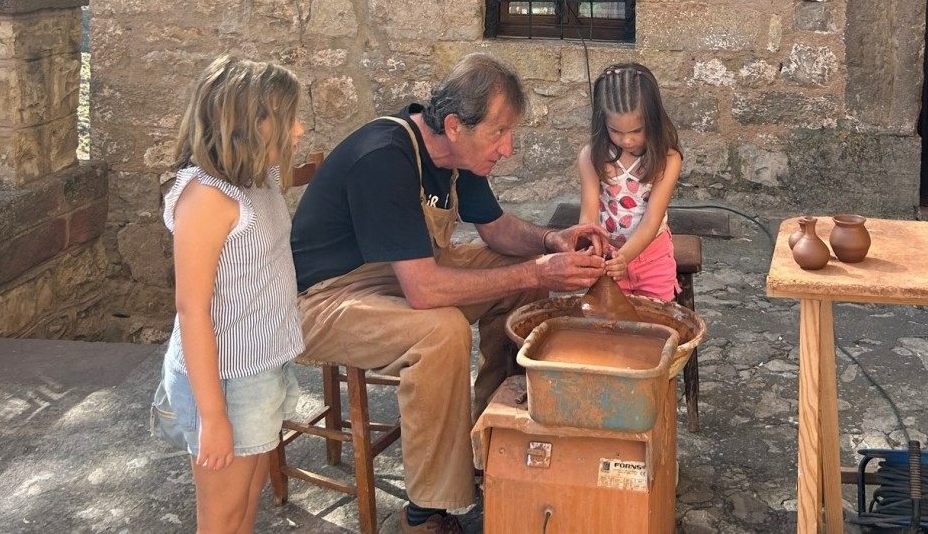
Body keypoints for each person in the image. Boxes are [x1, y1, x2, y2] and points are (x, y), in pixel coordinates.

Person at [290, 53, 608, 534]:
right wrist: (536, 270)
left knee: (523, 273)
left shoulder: (460, 155)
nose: (508, 148)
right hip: (325, 297)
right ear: (456, 124)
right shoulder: (385, 156)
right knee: (440, 331)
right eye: (500, 133)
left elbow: (497, 230)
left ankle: (490, 442)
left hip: (401, 272)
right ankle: (424, 513)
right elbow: (423, 290)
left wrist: (550, 243)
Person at [150, 55, 305, 534]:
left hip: (262, 368)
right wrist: (213, 418)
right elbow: (191, 311)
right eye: (287, 120)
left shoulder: (260, 179)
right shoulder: (206, 200)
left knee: (246, 502)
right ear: (247, 124)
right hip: (225, 383)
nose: (298, 131)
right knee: (220, 520)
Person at [578, 62, 683, 301]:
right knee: (610, 325)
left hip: (653, 258)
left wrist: (624, 257)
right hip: (609, 259)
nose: (626, 140)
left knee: (658, 324)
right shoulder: (591, 156)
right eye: (616, 131)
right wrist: (595, 250)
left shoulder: (668, 159)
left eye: (637, 130)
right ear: (602, 122)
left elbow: (652, 220)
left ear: (653, 120)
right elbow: (588, 217)